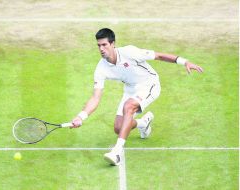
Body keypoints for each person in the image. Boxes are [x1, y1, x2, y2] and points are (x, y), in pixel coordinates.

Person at [71, 28, 203, 166]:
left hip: (150, 84)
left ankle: (116, 151)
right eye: (99, 46)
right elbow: (95, 98)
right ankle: (143, 124)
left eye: (104, 45)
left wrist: (185, 61)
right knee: (119, 128)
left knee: (128, 106)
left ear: (113, 44)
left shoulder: (129, 52)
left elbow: (158, 56)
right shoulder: (101, 68)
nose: (101, 49)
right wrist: (81, 116)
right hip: (130, 89)